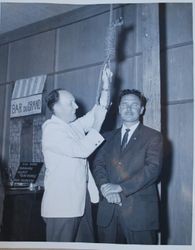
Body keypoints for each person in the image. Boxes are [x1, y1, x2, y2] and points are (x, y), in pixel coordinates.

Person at [41, 66, 112, 242]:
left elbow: (98, 111)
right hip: (62, 207)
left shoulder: (71, 127)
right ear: (56, 107)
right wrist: (95, 129)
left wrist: (106, 85)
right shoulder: (52, 130)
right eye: (70, 103)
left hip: (81, 202)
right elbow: (81, 150)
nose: (77, 106)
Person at [93, 89, 163, 244]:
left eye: (134, 105)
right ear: (119, 109)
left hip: (139, 215)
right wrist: (104, 186)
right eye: (124, 104)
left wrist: (120, 187)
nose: (129, 108)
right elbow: (98, 165)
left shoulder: (153, 137)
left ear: (142, 109)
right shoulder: (107, 137)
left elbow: (152, 169)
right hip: (108, 213)